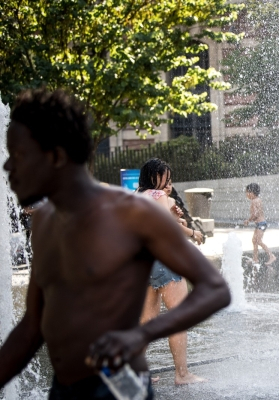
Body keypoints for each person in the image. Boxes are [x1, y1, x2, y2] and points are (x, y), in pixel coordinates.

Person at [0, 88, 230, 399]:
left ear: (54, 156)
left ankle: (181, 372)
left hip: (121, 388)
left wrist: (143, 334)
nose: (7, 167)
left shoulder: (133, 212)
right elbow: (31, 327)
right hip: (65, 388)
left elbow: (215, 289)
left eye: (19, 155)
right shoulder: (45, 222)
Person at [137, 159, 206, 385]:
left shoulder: (137, 195)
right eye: (164, 177)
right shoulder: (158, 197)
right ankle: (182, 374)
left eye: (169, 177)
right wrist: (193, 233)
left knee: (146, 320)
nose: (168, 182)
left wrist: (175, 212)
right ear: (153, 177)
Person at [243, 183, 276, 265]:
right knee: (254, 241)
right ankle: (255, 259)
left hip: (261, 224)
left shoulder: (254, 201)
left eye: (247, 192)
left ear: (252, 192)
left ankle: (271, 256)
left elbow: (255, 214)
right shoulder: (258, 200)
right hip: (261, 224)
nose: (246, 194)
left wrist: (248, 220)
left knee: (258, 241)